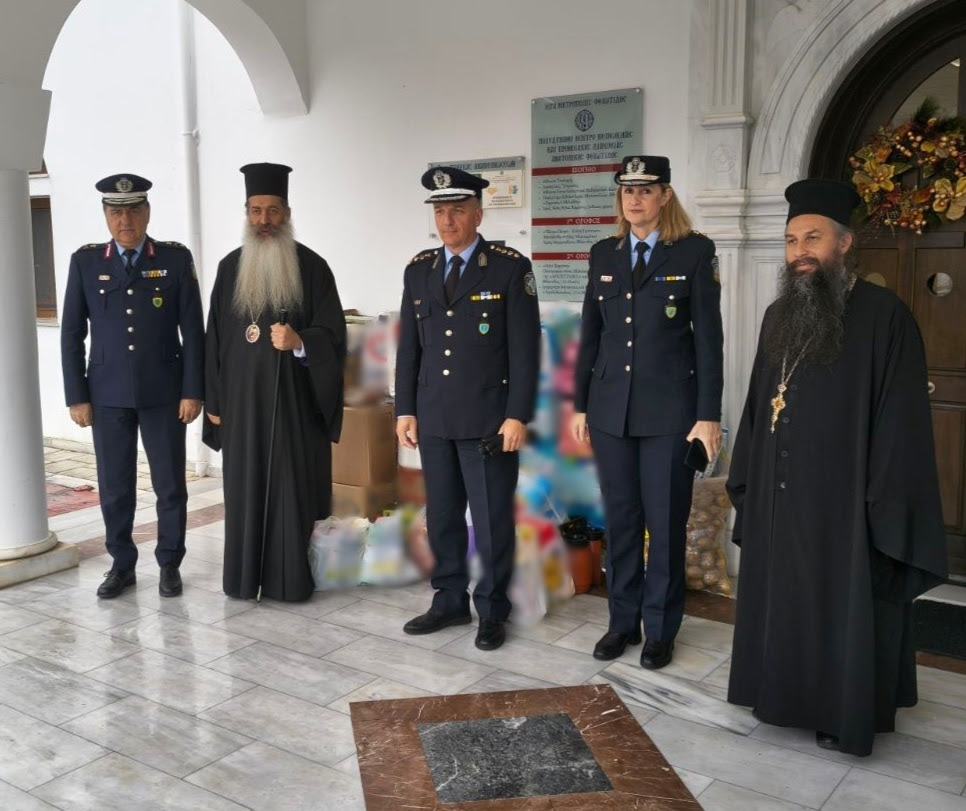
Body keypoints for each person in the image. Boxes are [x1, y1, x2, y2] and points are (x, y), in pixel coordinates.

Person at [726, 178, 948, 756]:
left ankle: (838, 709)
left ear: (844, 243)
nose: (799, 251)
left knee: (840, 602)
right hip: (780, 494)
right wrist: (749, 477)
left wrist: (879, 504)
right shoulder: (778, 315)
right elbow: (759, 404)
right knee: (782, 597)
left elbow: (901, 425)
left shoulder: (885, 317)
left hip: (846, 501)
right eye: (791, 239)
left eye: (813, 237)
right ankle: (778, 692)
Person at [571, 155, 723, 669]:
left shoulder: (695, 252)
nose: (634, 199)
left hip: (670, 415)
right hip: (611, 411)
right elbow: (591, 334)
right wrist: (579, 404)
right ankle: (622, 623)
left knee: (665, 522)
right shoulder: (604, 253)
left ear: (665, 196)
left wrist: (708, 415)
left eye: (646, 189)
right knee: (621, 522)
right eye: (627, 190)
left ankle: (659, 629)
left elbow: (709, 341)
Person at [395, 166, 541, 650]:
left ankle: (493, 610)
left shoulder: (508, 267)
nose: (448, 220)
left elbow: (525, 351)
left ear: (478, 214)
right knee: (443, 517)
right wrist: (405, 410)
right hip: (435, 417)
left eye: (457, 210)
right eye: (440, 211)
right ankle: (449, 600)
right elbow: (410, 348)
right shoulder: (419, 269)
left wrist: (518, 415)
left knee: (492, 519)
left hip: (488, 420)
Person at [203, 162, 346, 602]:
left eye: (273, 210)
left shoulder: (312, 268)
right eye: (256, 210)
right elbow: (214, 341)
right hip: (243, 410)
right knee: (244, 494)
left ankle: (289, 583)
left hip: (294, 410)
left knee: (291, 493)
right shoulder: (230, 268)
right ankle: (244, 581)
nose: (264, 220)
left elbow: (334, 335)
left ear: (287, 213)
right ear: (246, 212)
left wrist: (301, 342)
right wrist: (214, 403)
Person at [61, 174, 204, 599]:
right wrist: (77, 396)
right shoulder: (86, 262)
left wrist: (193, 390)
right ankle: (121, 565)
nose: (126, 220)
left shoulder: (174, 259)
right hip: (106, 396)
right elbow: (72, 334)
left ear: (147, 212)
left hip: (164, 393)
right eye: (116, 212)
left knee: (170, 485)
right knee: (115, 487)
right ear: (106, 215)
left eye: (134, 210)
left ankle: (169, 563)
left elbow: (193, 332)